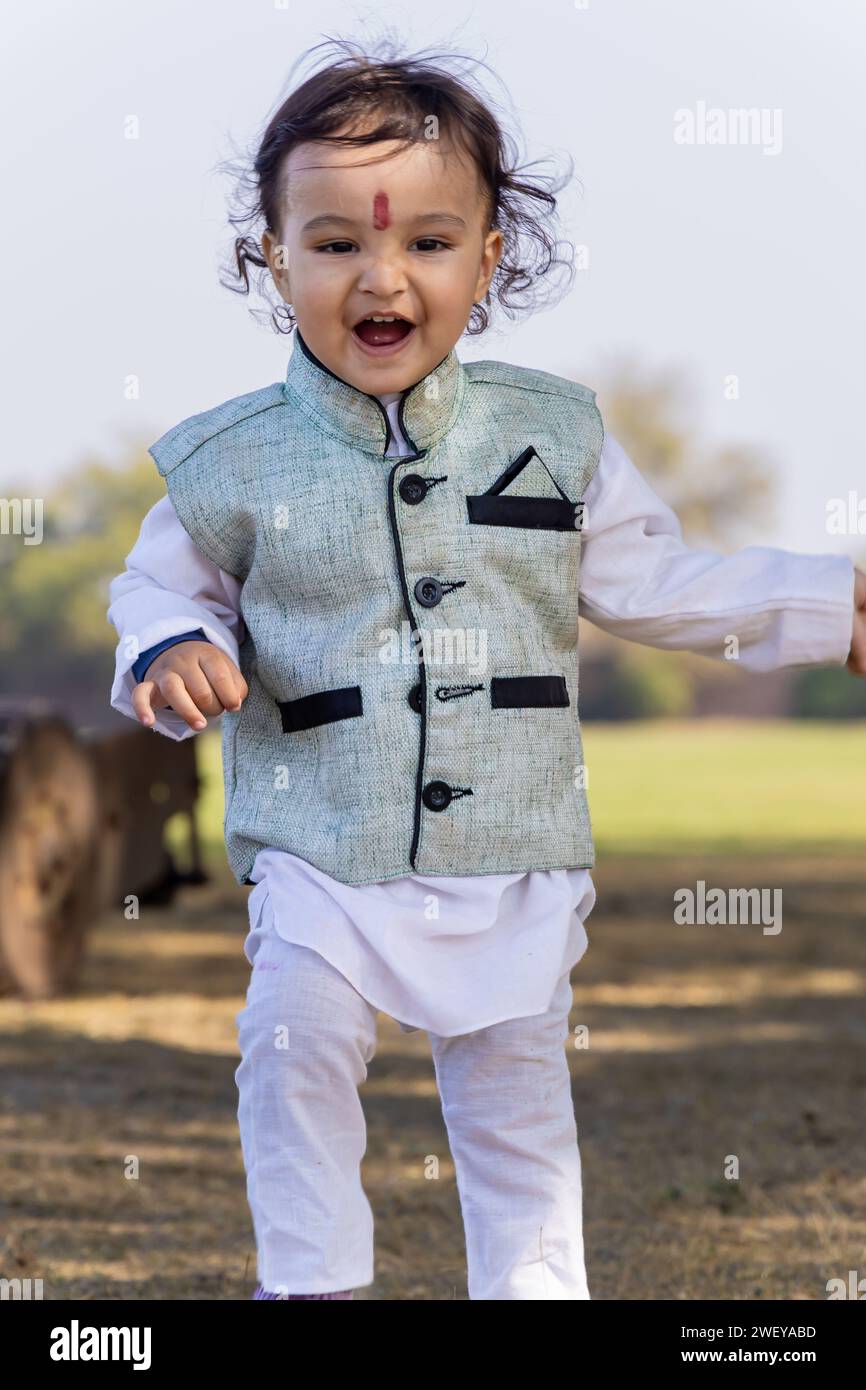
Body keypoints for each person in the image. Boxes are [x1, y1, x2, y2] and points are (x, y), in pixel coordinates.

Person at [107, 38, 866, 1300]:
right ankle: (311, 1285)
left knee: (516, 1110)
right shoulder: (226, 461)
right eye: (336, 242)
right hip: (319, 852)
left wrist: (828, 606)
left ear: (490, 256)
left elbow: (658, 584)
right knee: (287, 1056)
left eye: (427, 242)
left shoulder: (553, 434)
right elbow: (153, 588)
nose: (381, 275)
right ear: (271, 254)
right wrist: (172, 645)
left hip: (510, 857)